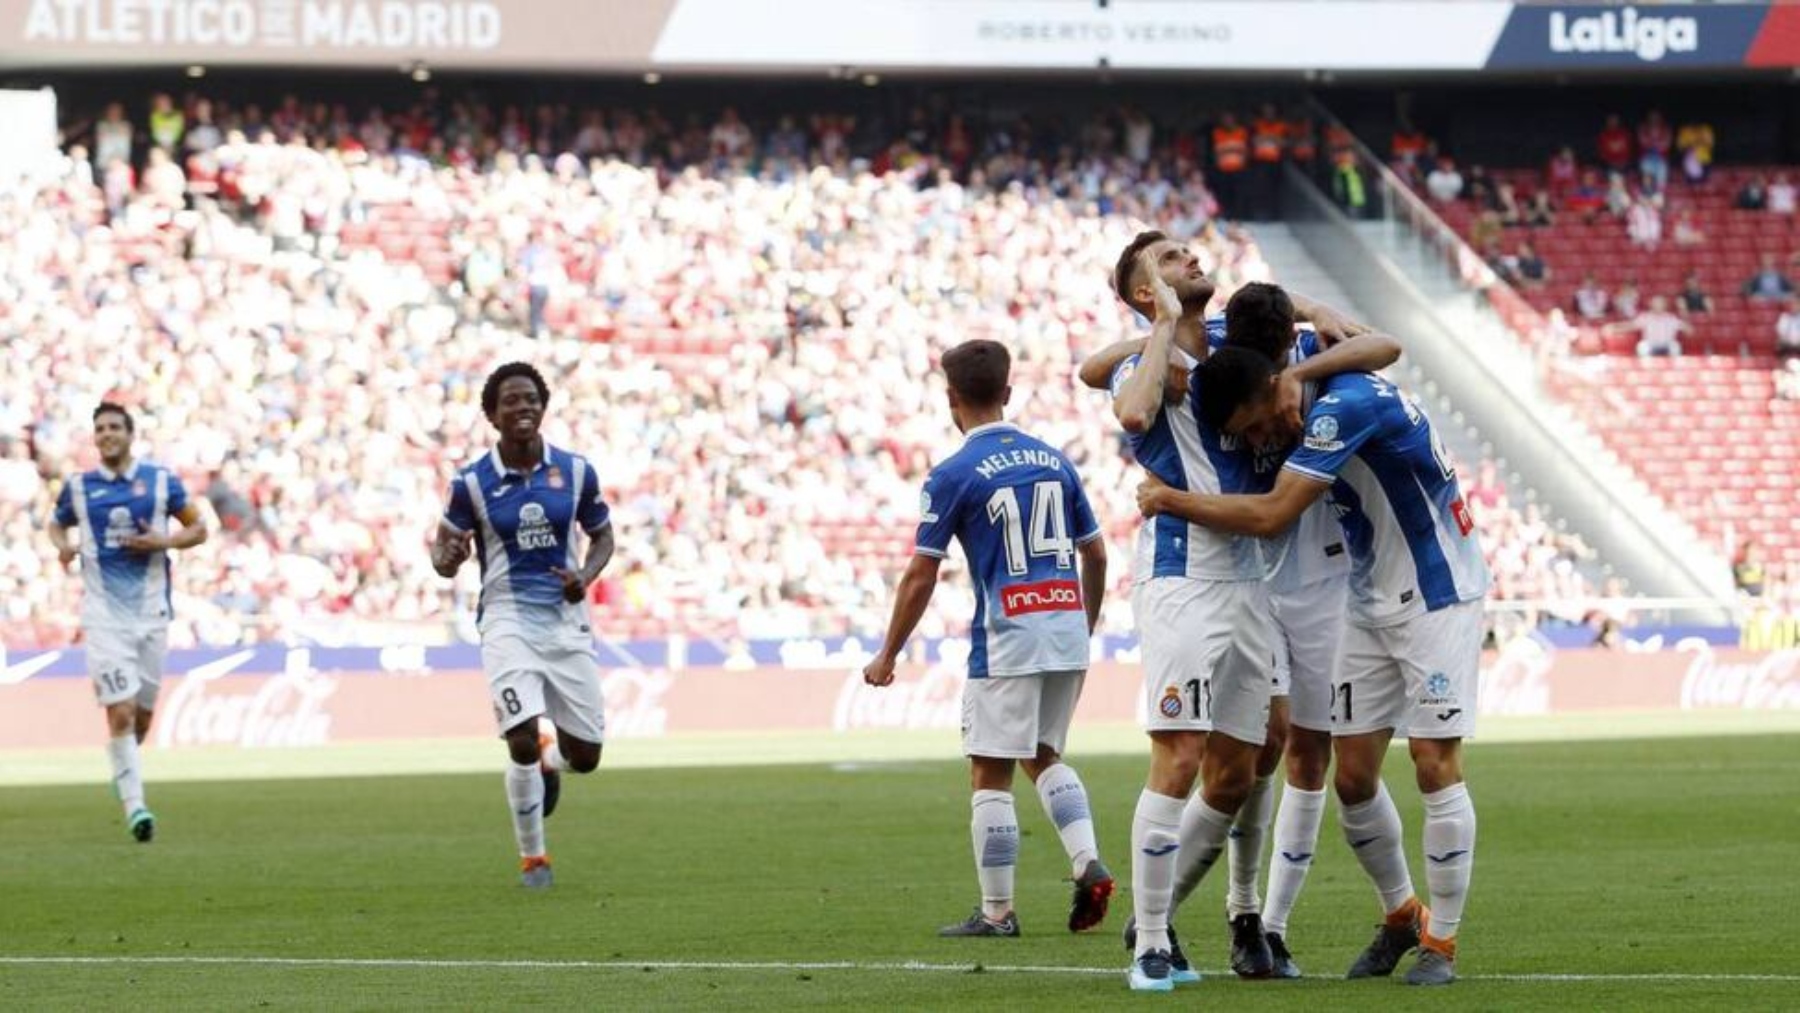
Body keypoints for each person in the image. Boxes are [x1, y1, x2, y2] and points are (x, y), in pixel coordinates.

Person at [1078, 243, 1399, 989]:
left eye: (1185, 249)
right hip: (1183, 577)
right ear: (1140, 289)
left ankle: (1243, 912)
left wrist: (1310, 317)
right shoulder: (1148, 361)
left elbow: (1374, 345)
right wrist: (1157, 325)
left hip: (1254, 578)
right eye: (1166, 258)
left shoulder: (1238, 341)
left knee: (1253, 757)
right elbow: (1126, 405)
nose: (1188, 254)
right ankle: (1152, 942)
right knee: (1182, 752)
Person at [1137, 333, 1490, 988]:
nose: (1268, 437)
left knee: (1433, 762)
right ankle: (1401, 913)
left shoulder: (1340, 409)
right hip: (1368, 598)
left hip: (1438, 594)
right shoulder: (1314, 377)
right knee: (1352, 776)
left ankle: (1440, 941)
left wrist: (1169, 499)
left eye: (1261, 421)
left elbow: (1272, 514)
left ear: (1274, 384)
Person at [862, 339, 1114, 942]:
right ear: (1008, 393)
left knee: (989, 771)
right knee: (1044, 755)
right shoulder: (1055, 460)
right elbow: (1097, 553)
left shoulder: (952, 474)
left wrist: (889, 652)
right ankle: (1087, 861)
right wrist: (1084, 624)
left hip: (1007, 635)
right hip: (1065, 628)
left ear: (952, 399)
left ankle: (998, 914)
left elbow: (923, 570)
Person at [432, 362, 616, 888]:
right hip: (507, 619)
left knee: (587, 757)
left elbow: (603, 536)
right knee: (517, 736)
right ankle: (533, 856)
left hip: (566, 623)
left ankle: (552, 761)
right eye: (510, 400)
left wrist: (585, 573)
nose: (523, 407)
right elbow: (442, 555)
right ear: (491, 415)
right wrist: (448, 556)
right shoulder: (471, 482)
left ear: (544, 405)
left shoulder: (576, 471)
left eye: (531, 398)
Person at [46, 402, 209, 843]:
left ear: (130, 435)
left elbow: (200, 529)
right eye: (99, 428)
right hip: (103, 619)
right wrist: (64, 547)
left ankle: (122, 766)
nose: (106, 434)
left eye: (114, 426)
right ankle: (136, 809)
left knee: (139, 722)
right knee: (119, 713)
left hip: (152, 614)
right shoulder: (79, 487)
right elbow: (55, 525)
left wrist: (165, 540)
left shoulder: (159, 482)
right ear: (94, 437)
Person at [1605, 296, 1691, 357]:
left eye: (1660, 303)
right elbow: (1630, 325)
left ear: (1665, 305)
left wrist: (1688, 327)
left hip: (1667, 344)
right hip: (1651, 344)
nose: (1658, 306)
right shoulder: (1645, 317)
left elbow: (1687, 329)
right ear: (1652, 305)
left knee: (1676, 346)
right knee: (1641, 347)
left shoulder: (1671, 318)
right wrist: (1614, 327)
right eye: (1656, 303)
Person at [1776, 296, 1800, 360]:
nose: (1795, 307)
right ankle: (1782, 365)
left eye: (1797, 305)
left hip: (1799, 342)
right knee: (1780, 345)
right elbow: (1781, 332)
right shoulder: (1784, 317)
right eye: (1793, 305)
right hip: (1787, 343)